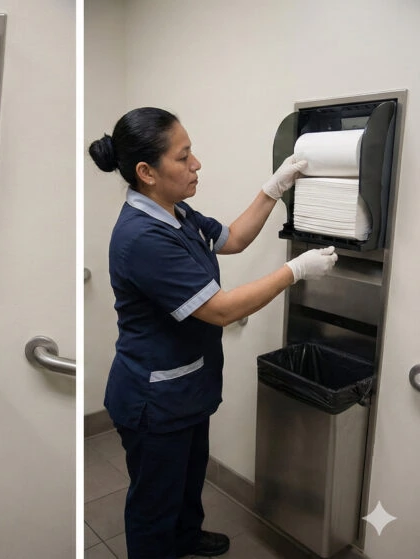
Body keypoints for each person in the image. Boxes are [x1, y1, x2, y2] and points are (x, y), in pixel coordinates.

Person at [88, 107, 338, 558]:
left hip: (186, 388)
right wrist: (295, 270)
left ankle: (186, 537)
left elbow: (233, 238)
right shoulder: (142, 238)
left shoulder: (175, 211)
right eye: (183, 157)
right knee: (153, 505)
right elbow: (220, 310)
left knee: (186, 479)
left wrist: (272, 189)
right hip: (154, 400)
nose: (196, 164)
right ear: (147, 172)